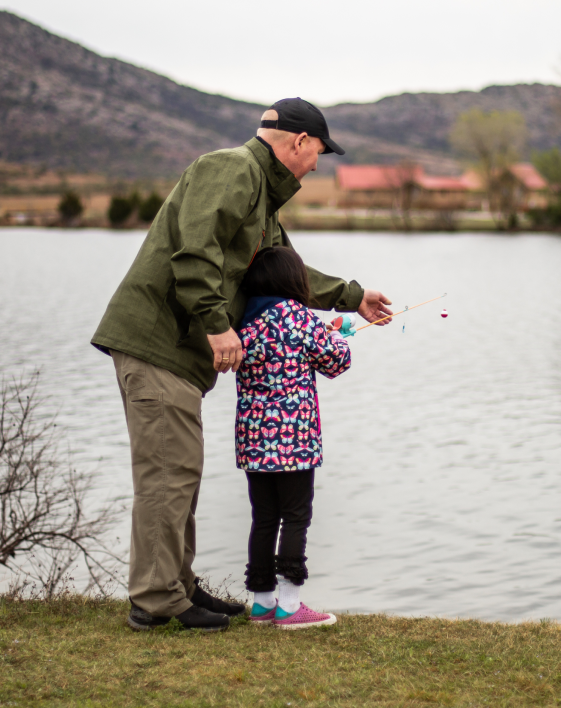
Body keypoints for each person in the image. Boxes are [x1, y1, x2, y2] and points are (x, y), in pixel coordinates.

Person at [91, 97, 393, 632]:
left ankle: (176, 586)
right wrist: (214, 321)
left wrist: (353, 296)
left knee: (180, 471)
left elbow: (291, 277)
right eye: (319, 151)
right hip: (158, 340)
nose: (319, 164)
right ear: (299, 142)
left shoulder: (263, 205)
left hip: (181, 355)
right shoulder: (232, 168)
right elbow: (194, 250)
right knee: (167, 473)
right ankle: (157, 598)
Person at [236, 247, 349, 629]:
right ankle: (289, 604)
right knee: (296, 516)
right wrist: (340, 337)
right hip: (295, 442)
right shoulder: (299, 317)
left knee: (264, 517)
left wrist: (325, 334)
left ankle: (262, 603)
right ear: (292, 280)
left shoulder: (243, 323)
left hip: (254, 441)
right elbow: (337, 362)